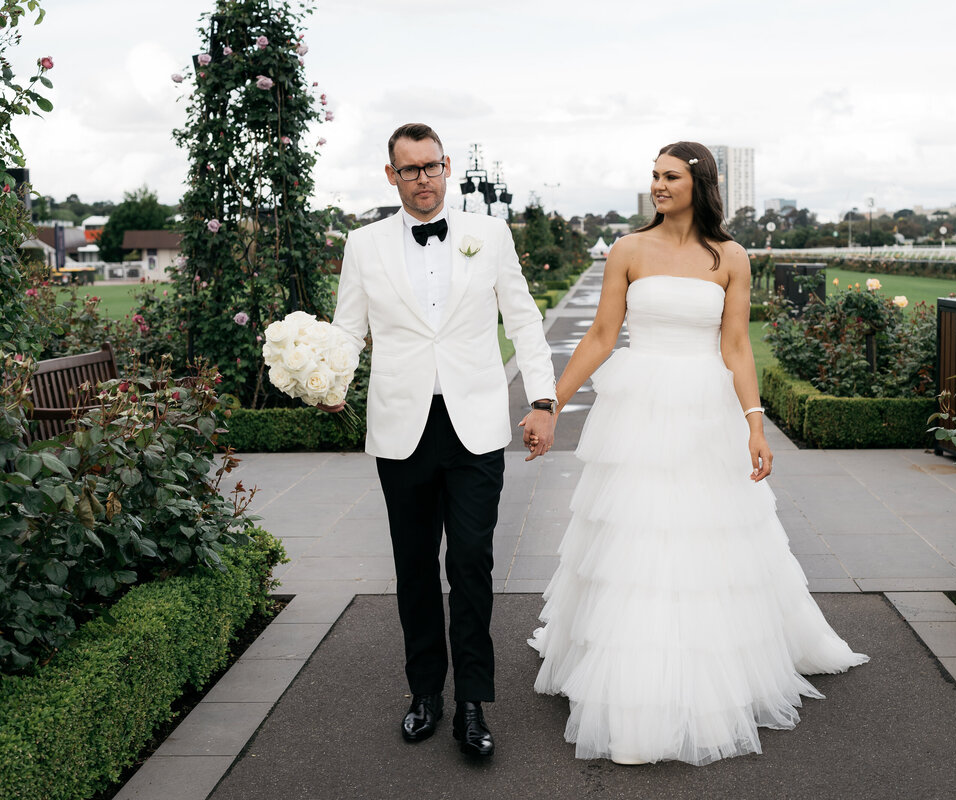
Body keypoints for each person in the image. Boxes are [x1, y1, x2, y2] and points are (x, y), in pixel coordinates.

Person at [527, 141, 869, 766]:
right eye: (653, 176)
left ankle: (711, 658)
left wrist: (756, 426)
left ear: (699, 182)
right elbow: (602, 335)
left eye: (670, 176)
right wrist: (548, 405)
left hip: (706, 411)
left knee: (708, 532)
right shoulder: (628, 250)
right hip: (639, 410)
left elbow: (736, 347)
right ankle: (629, 660)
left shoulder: (729, 256)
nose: (657, 185)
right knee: (636, 530)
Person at [322, 122, 558, 759]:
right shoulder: (363, 244)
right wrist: (326, 375)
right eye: (408, 170)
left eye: (430, 167)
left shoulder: (489, 233)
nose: (421, 179)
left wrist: (543, 399)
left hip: (475, 425)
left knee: (472, 562)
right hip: (401, 428)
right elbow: (348, 328)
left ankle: (473, 705)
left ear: (447, 166)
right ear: (390, 176)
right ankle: (425, 692)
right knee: (414, 566)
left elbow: (525, 317)